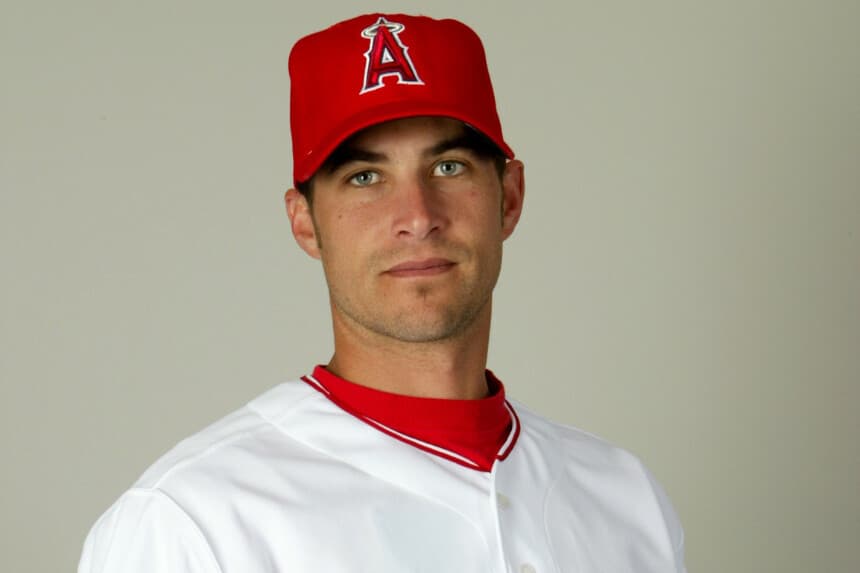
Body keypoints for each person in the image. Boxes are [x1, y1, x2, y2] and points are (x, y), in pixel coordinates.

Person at [79, 13, 687, 572]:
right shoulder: (192, 523)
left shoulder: (624, 497)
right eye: (365, 177)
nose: (417, 216)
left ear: (509, 198)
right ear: (304, 222)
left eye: (448, 167)